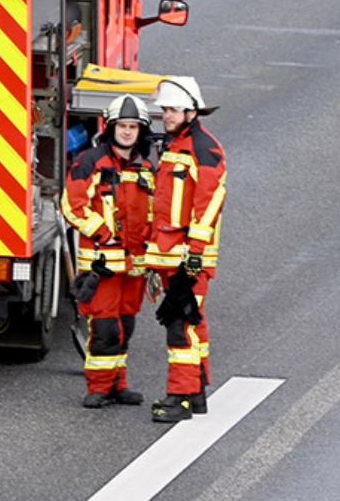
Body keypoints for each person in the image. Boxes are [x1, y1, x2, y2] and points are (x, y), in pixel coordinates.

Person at [61, 94, 155, 408]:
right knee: (103, 328)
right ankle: (98, 387)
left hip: (135, 266)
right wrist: (104, 231)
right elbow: (72, 206)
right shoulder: (90, 162)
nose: (127, 132)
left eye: (133, 126)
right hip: (102, 266)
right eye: (122, 126)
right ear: (111, 126)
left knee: (125, 326)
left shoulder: (146, 168)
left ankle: (118, 384)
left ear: (141, 131)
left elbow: (155, 211)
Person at [145, 76, 225, 423]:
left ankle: (179, 398)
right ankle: (197, 391)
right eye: (165, 110)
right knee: (192, 322)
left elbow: (209, 202)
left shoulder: (203, 149)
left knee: (181, 325)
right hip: (170, 253)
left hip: (189, 257)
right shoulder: (174, 146)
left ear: (192, 110)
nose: (167, 115)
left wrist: (194, 250)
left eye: (174, 109)